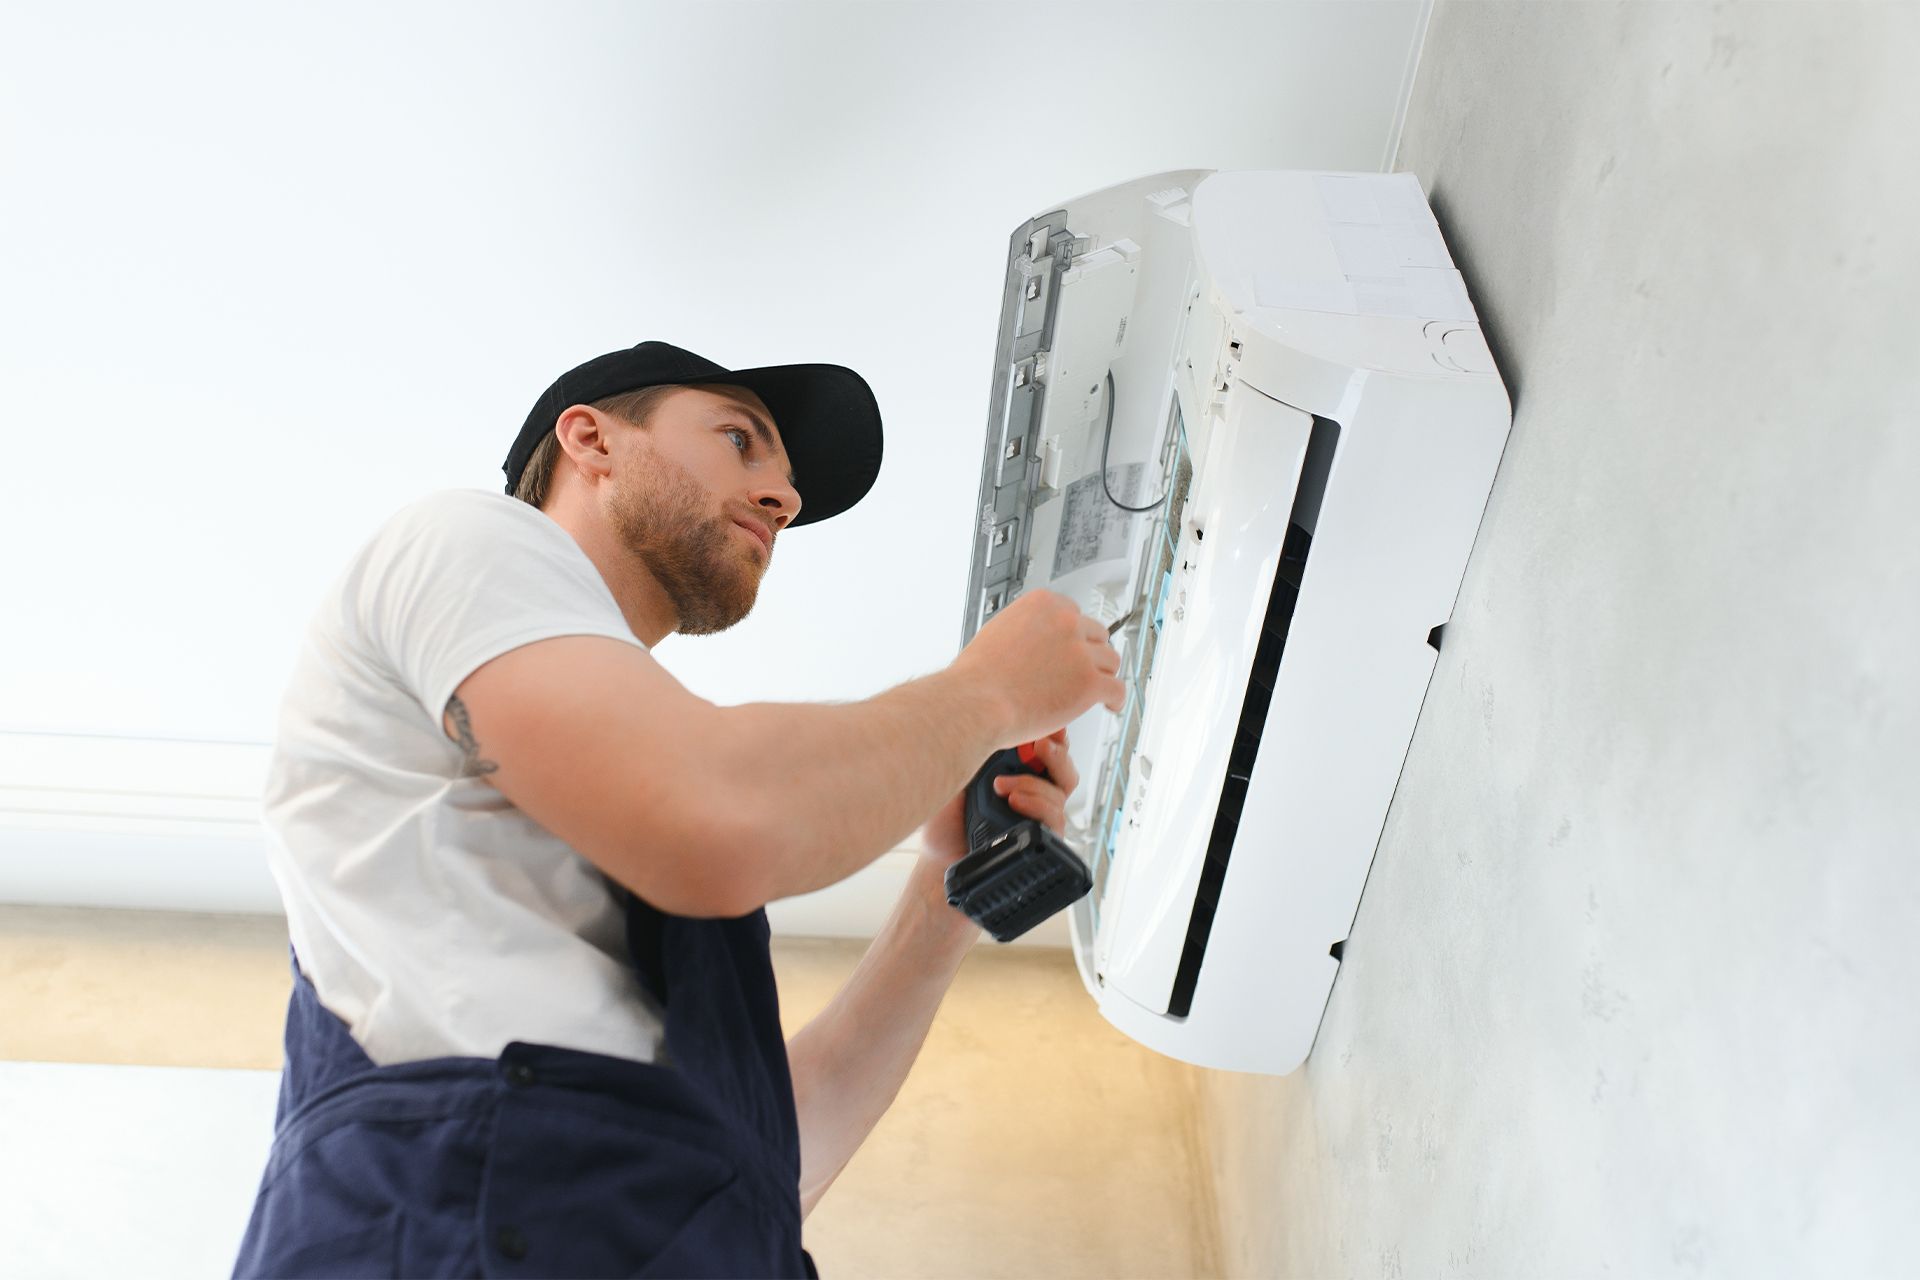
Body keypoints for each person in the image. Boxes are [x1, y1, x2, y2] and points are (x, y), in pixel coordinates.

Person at [231, 340, 1127, 1278]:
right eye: (743, 440)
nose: (784, 498)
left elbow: (764, 1166)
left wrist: (943, 897)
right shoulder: (463, 540)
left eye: (787, 484)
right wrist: (985, 695)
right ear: (590, 441)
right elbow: (716, 822)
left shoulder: (633, 813)